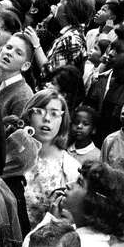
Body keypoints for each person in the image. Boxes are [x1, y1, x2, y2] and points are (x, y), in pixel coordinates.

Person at [21, 91, 79, 228]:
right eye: (40, 111)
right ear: (29, 115)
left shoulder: (71, 169)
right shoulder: (12, 155)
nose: (47, 118)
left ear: (62, 120)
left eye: (54, 114)